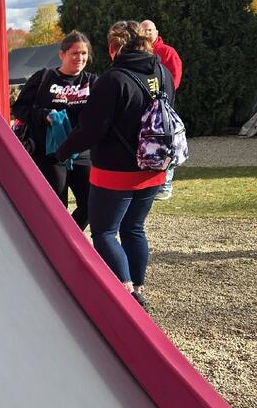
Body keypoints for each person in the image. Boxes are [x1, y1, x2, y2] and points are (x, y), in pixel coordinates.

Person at [54, 19, 175, 309]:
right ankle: (139, 287)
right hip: (154, 166)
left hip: (115, 171)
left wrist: (62, 151)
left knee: (105, 232)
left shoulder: (113, 80)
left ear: (114, 48)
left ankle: (128, 294)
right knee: (134, 227)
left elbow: (91, 129)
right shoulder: (163, 72)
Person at [12, 31, 95, 228]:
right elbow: (19, 109)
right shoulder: (44, 77)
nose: (80, 58)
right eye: (74, 53)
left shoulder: (92, 81)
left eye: (84, 53)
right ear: (62, 55)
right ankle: (54, 241)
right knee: (56, 208)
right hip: (49, 154)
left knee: (91, 205)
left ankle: (70, 238)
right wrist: (44, 115)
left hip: (81, 153)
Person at [138, 19, 182, 201]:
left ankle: (166, 184)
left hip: (162, 106)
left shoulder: (167, 52)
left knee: (167, 143)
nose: (146, 33)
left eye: (149, 30)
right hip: (145, 107)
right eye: (143, 30)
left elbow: (174, 77)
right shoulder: (139, 53)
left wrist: (164, 98)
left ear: (156, 32)